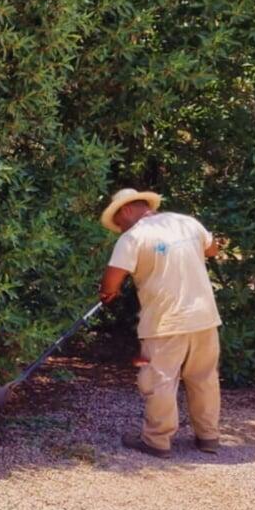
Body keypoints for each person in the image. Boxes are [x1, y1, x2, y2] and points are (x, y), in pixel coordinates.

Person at [98, 188, 224, 457]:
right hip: (204, 317)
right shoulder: (185, 222)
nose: (119, 228)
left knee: (161, 381)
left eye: (118, 222)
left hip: (165, 321)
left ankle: (157, 441)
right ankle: (208, 437)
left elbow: (112, 279)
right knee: (204, 378)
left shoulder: (133, 237)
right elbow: (213, 249)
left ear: (125, 210)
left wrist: (108, 292)